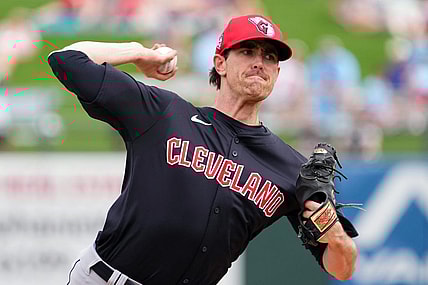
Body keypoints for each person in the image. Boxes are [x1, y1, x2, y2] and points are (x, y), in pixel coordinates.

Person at [48, 14, 358, 285]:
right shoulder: (164, 113)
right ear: (220, 63)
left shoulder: (291, 168)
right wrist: (140, 54)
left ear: (277, 74)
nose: (259, 63)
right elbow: (66, 60)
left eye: (270, 58)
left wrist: (334, 233)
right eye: (248, 51)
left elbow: (342, 269)